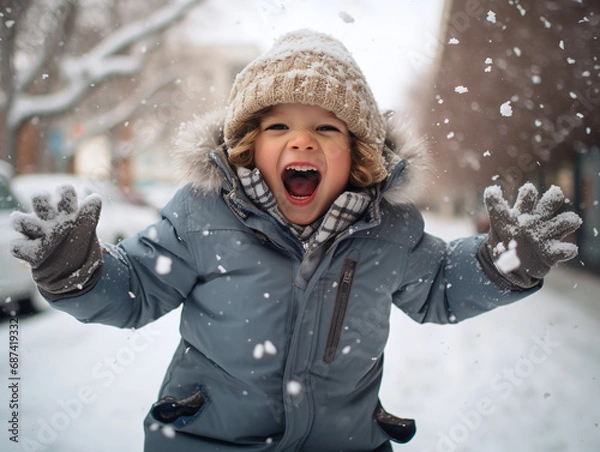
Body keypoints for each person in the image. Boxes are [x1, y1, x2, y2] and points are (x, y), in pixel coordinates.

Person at [10, 30, 582, 452]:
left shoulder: (389, 230)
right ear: (246, 148)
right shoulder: (204, 216)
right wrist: (78, 273)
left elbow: (440, 288)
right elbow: (134, 288)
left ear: (359, 155)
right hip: (211, 441)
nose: (301, 142)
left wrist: (503, 265)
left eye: (326, 129)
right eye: (278, 127)